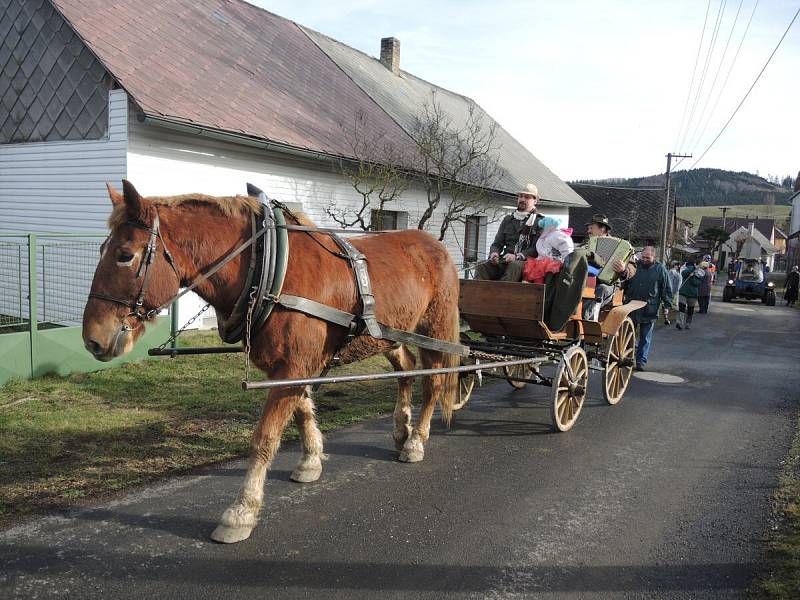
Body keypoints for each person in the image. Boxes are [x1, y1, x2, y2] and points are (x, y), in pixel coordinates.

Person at [475, 183, 544, 281]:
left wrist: (517, 256)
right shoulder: (508, 219)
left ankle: (499, 295)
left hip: (525, 263)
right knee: (481, 266)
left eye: (527, 197)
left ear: (535, 201)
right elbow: (497, 243)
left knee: (514, 266)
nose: (522, 199)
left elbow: (536, 249)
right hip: (505, 260)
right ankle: (478, 294)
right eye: (520, 196)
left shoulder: (540, 222)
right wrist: (494, 254)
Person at [621, 246, 672, 371]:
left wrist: (667, 306)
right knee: (628, 335)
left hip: (649, 308)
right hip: (631, 307)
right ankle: (627, 358)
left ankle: (641, 361)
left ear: (654, 257)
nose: (644, 260)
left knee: (645, 337)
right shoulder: (634, 266)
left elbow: (666, 289)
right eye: (643, 257)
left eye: (647, 258)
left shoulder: (660, 270)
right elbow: (625, 283)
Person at [580, 214, 635, 320]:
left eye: (591, 228)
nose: (588, 231)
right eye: (588, 228)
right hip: (587, 281)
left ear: (603, 229)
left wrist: (624, 269)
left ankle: (588, 321)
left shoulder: (622, 246)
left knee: (601, 289)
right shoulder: (585, 245)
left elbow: (632, 267)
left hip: (609, 285)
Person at [521, 217, 574, 283]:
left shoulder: (557, 235)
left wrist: (567, 262)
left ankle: (539, 289)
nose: (539, 230)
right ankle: (535, 288)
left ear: (547, 227)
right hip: (541, 261)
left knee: (538, 273)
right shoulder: (545, 236)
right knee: (534, 271)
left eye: (541, 228)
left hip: (553, 261)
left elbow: (567, 248)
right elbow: (542, 251)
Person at [676, 260, 705, 330]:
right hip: (683, 292)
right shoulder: (688, 270)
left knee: (690, 309)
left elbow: (696, 283)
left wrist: (692, 276)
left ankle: (688, 323)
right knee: (681, 307)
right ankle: (679, 323)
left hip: (693, 294)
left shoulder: (701, 273)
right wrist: (692, 269)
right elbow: (683, 273)